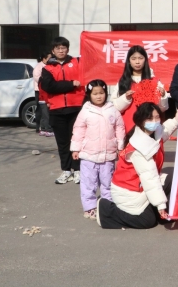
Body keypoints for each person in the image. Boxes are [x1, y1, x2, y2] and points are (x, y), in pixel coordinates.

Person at [97, 103, 178, 229]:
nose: (155, 121)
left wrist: (177, 119)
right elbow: (150, 179)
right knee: (147, 221)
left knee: (175, 175)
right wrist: (161, 205)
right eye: (150, 118)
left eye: (157, 117)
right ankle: (106, 210)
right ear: (141, 120)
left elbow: (164, 131)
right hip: (129, 191)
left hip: (141, 185)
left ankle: (160, 212)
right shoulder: (139, 147)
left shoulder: (154, 132)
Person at [70, 80, 125, 220]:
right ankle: (90, 208)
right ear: (89, 95)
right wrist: (75, 149)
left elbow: (119, 128)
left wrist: (120, 145)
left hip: (108, 154)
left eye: (101, 93)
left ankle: (107, 205)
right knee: (88, 183)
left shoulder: (112, 109)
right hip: (89, 155)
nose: (99, 96)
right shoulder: (85, 111)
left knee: (108, 182)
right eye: (95, 94)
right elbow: (78, 130)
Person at [41, 37, 85, 185]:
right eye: (58, 48)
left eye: (63, 48)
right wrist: (71, 84)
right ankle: (66, 170)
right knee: (62, 143)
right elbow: (49, 86)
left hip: (76, 107)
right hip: (57, 109)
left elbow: (87, 76)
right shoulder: (47, 68)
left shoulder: (77, 63)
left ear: (68, 49)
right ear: (53, 51)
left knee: (77, 141)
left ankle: (77, 170)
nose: (61, 51)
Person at [109, 45, 169, 130]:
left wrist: (163, 96)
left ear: (145, 60)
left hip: (149, 127)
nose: (137, 62)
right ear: (129, 61)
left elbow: (163, 108)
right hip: (128, 127)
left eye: (140, 58)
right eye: (133, 59)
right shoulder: (123, 82)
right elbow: (115, 107)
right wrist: (126, 98)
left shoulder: (154, 81)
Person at [33, 51, 54, 137]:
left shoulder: (49, 66)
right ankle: (44, 128)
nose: (51, 59)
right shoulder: (39, 67)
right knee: (43, 111)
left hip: (46, 91)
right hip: (41, 91)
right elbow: (39, 80)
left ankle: (43, 128)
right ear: (44, 59)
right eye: (49, 58)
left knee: (44, 112)